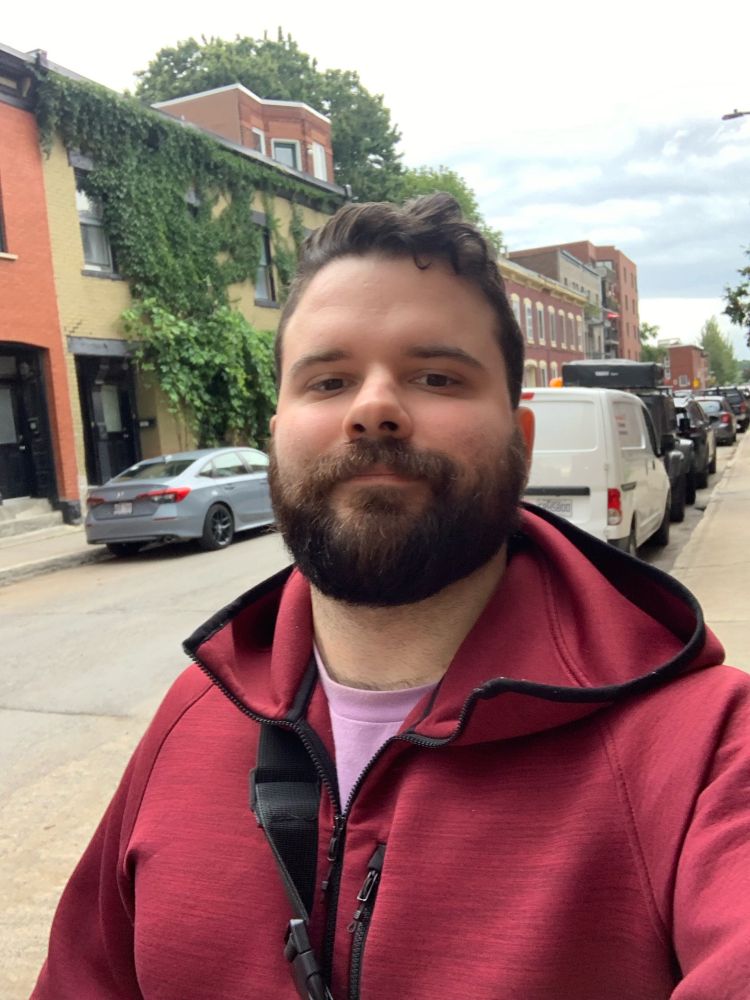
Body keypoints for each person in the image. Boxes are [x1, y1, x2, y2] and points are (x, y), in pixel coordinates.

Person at [33, 195, 750, 1000]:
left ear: (522, 439)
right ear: (278, 431)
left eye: (436, 375)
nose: (374, 408)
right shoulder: (190, 718)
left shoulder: (707, 748)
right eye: (329, 379)